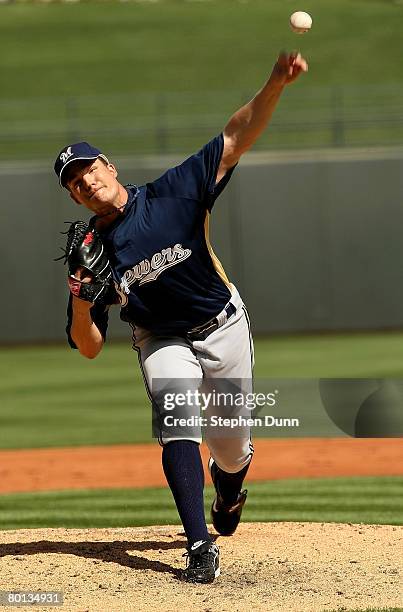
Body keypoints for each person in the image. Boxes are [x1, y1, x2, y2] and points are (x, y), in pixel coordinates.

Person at [54, 51, 308, 584]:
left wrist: (275, 83)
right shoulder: (92, 250)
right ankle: (198, 545)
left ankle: (231, 486)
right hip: (160, 336)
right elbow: (91, 344)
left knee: (231, 446)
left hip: (221, 322)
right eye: (73, 182)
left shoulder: (173, 192)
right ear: (75, 196)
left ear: (109, 167)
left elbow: (235, 137)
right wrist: (80, 299)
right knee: (177, 425)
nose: (85, 182)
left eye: (88, 169)